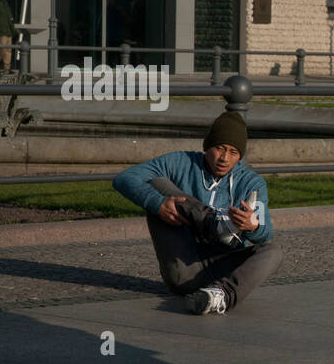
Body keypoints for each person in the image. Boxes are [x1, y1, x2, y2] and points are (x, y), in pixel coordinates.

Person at [112, 112, 283, 315]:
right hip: (184, 267)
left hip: (224, 265)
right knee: (157, 182)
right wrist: (157, 204)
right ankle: (215, 224)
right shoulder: (180, 162)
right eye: (219, 148)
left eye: (233, 152)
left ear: (240, 156)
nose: (224, 158)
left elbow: (266, 232)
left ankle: (219, 296)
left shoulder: (251, 183)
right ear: (207, 146)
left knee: (274, 252)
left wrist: (253, 226)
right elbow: (124, 178)